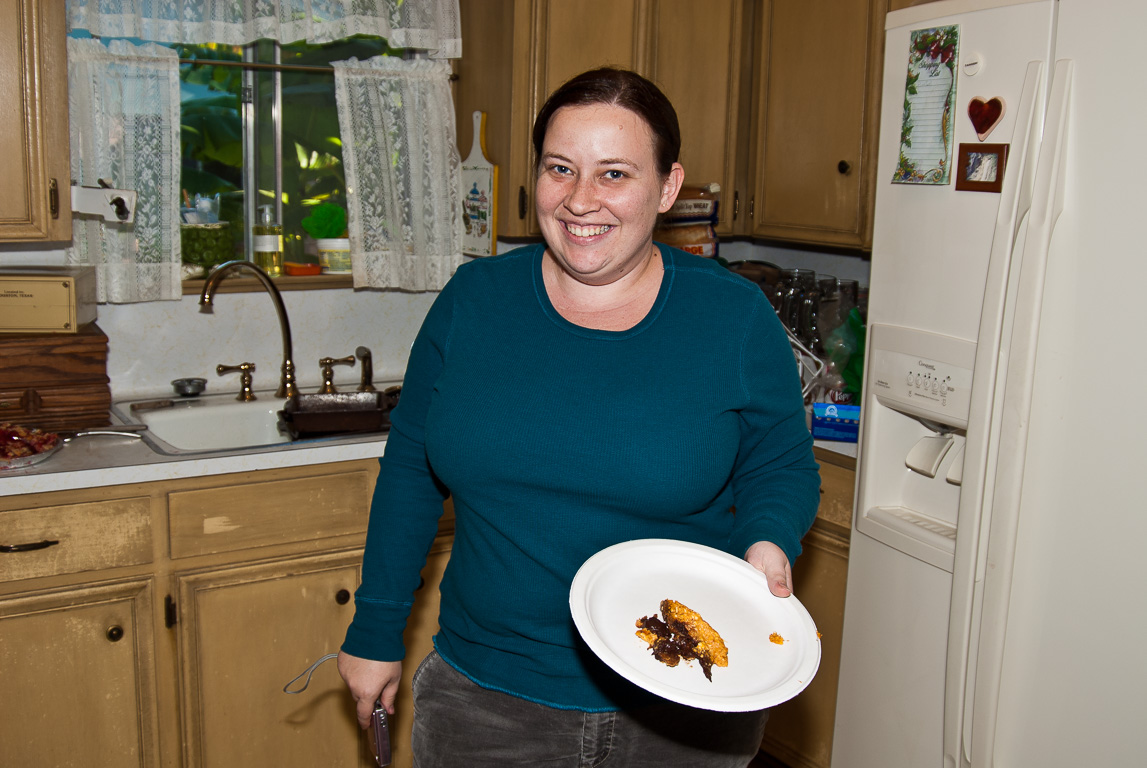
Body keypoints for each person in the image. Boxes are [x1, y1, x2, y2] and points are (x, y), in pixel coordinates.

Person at [338, 67, 821, 767]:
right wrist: (375, 628)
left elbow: (778, 462)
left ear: (667, 187)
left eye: (615, 173)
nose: (579, 200)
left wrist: (769, 539)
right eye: (559, 168)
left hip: (683, 699)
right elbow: (410, 467)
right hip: (486, 700)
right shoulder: (475, 301)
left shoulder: (731, 317)